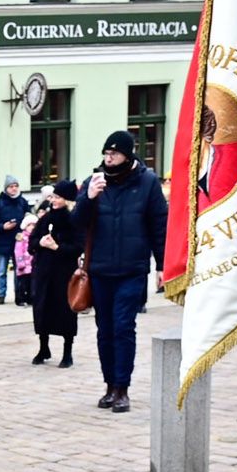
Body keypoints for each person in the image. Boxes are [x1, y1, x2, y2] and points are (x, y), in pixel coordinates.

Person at [74, 130, 169, 413]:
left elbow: (159, 226)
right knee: (105, 330)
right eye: (106, 154)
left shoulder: (148, 182)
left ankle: (123, 388)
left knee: (123, 327)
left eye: (114, 154)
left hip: (132, 269)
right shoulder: (95, 182)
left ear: (128, 156)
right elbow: (76, 224)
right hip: (100, 269)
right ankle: (109, 386)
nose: (108, 158)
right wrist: (88, 198)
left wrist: (162, 265)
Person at [29, 180, 82, 368]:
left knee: (65, 312)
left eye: (58, 197)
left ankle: (67, 352)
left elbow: (77, 247)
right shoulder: (45, 219)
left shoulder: (72, 221)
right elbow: (31, 243)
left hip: (63, 275)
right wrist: (40, 243)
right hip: (44, 273)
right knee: (42, 310)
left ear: (67, 200)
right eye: (53, 196)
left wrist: (57, 247)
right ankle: (44, 348)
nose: (53, 200)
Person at [0, 177, 30, 305]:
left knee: (20, 270)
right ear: (6, 188)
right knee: (2, 271)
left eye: (16, 186)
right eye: (11, 186)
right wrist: (3, 226)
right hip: (3, 242)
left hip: (19, 243)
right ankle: (1, 295)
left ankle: (19, 295)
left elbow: (29, 218)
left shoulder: (22, 202)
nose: (14, 188)